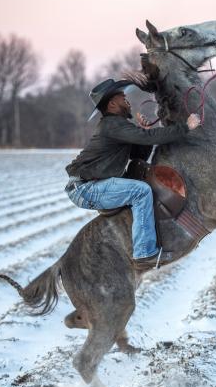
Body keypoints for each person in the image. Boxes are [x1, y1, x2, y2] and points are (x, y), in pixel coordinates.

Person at [65, 78, 200, 270]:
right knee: (141, 191)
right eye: (122, 97)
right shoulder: (112, 125)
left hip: (91, 186)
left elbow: (138, 154)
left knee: (139, 188)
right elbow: (148, 138)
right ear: (112, 104)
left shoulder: (118, 126)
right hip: (85, 189)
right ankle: (144, 254)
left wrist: (144, 133)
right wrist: (185, 127)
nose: (127, 99)